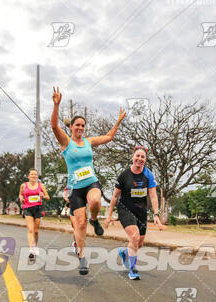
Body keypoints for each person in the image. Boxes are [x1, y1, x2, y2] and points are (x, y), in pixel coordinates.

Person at [51, 86, 126, 275]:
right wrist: (56, 105)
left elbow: (109, 137)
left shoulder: (89, 142)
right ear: (71, 127)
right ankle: (82, 257)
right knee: (80, 224)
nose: (80, 128)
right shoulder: (65, 143)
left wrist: (117, 121)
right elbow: (53, 126)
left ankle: (95, 220)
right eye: (77, 125)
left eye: (83, 126)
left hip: (91, 182)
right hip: (75, 188)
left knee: (95, 201)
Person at [104, 145, 163, 280]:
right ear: (132, 157)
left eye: (143, 157)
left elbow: (153, 196)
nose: (140, 159)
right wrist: (109, 215)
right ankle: (133, 270)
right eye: (138, 156)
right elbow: (114, 196)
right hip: (125, 209)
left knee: (139, 243)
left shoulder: (148, 175)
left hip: (141, 211)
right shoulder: (124, 175)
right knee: (135, 237)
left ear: (145, 160)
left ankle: (124, 252)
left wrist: (156, 214)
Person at [19, 168, 50, 262]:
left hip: (38, 209)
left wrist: (43, 196)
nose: (33, 176)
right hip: (28, 209)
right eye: (32, 174)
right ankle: (31, 250)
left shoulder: (41, 185)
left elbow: (48, 197)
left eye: (35, 174)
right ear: (28, 176)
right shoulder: (23, 185)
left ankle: (35, 246)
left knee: (36, 231)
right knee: (31, 230)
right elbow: (20, 194)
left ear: (37, 176)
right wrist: (21, 198)